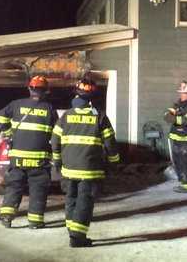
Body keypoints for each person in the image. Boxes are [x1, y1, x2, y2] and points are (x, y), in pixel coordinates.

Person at [51, 77, 120, 248]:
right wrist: (114, 161)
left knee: (71, 198)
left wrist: (58, 160)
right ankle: (77, 237)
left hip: (68, 169)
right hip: (90, 170)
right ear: (92, 96)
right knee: (85, 201)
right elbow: (110, 143)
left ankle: (71, 229)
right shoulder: (100, 117)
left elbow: (54, 140)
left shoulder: (66, 116)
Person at [0, 75, 57, 229]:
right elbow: (56, 132)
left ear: (30, 88)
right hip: (39, 159)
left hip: (18, 157)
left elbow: (0, 116)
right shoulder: (49, 108)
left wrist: (8, 133)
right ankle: (35, 221)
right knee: (38, 189)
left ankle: (7, 217)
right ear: (45, 91)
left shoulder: (16, 104)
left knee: (14, 187)